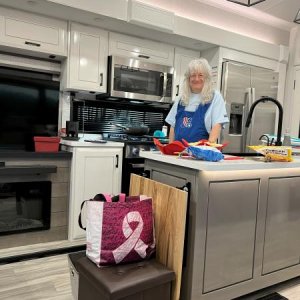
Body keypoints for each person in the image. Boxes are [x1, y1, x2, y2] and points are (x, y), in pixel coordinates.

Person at [165, 58, 229, 144]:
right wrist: (170, 148)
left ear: (207, 78)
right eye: (193, 75)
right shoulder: (181, 98)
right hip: (178, 152)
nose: (196, 79)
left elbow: (217, 125)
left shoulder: (215, 97)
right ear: (188, 78)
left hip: (201, 152)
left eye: (200, 75)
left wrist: (208, 147)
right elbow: (173, 126)